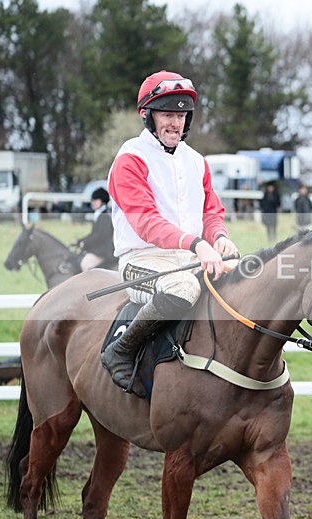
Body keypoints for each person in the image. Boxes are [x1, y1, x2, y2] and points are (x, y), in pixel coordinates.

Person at [101, 70, 239, 398]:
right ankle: (120, 351)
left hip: (192, 256)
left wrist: (218, 236)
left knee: (242, 281)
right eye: (166, 114)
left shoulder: (197, 161)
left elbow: (211, 213)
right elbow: (146, 221)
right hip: (141, 261)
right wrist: (197, 243)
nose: (174, 123)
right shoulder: (130, 159)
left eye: (180, 115)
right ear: (147, 116)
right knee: (182, 290)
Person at [76, 187, 116, 271]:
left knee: (85, 264)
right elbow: (93, 233)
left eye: (95, 200)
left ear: (101, 201)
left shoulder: (105, 215)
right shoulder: (98, 214)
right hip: (98, 247)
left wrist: (85, 243)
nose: (92, 203)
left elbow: (101, 236)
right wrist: (80, 240)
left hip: (104, 249)